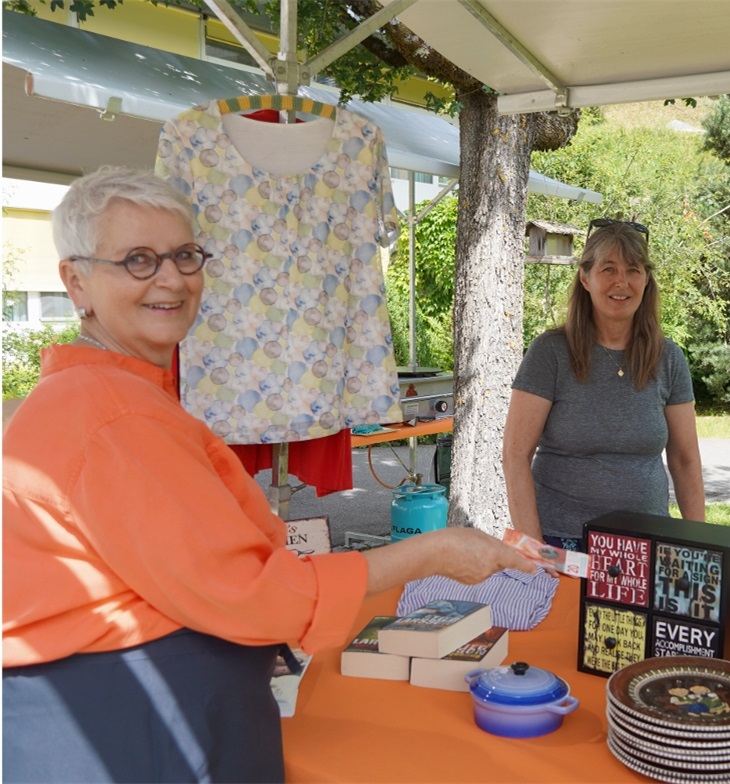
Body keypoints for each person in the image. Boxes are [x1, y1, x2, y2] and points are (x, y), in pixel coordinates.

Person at [1, 167, 536, 782]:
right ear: (76, 281)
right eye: (138, 261)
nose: (172, 278)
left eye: (184, 255)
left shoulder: (114, 396)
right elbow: (254, 593)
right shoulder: (111, 413)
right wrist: (433, 551)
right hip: (123, 724)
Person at [503, 218, 705, 551]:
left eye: (634, 269)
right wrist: (535, 549)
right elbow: (514, 455)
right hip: (561, 544)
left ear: (647, 279)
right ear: (585, 277)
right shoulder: (550, 353)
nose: (621, 282)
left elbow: (685, 460)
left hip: (647, 545)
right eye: (608, 269)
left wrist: (700, 546)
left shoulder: (668, 357)